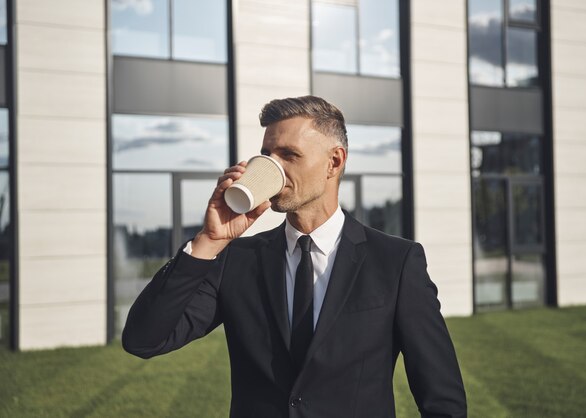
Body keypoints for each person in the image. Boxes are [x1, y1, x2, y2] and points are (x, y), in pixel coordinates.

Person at [122, 95, 467, 418]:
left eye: (289, 155)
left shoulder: (396, 262)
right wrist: (209, 241)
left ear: (334, 162)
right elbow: (144, 339)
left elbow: (442, 397)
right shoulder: (236, 259)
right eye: (267, 155)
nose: (274, 167)